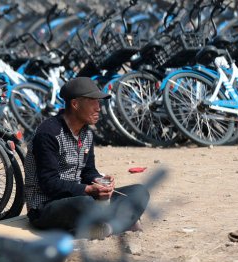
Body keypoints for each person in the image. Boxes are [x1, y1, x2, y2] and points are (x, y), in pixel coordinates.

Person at [23, 77, 150, 238]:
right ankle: (116, 224)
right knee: (86, 204)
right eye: (93, 102)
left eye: (99, 102)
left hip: (82, 196)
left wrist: (100, 181)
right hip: (46, 206)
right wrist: (88, 190)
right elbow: (49, 183)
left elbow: (88, 171)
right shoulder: (49, 133)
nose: (98, 108)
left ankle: (104, 226)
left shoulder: (86, 133)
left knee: (139, 192)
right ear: (75, 104)